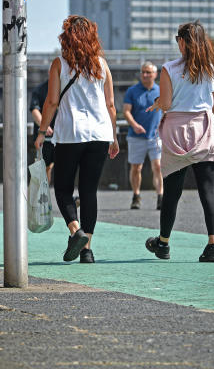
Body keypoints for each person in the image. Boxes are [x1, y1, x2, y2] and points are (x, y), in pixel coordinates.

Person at [145, 21, 214, 263]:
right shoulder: (212, 69)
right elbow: (213, 106)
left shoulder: (169, 68)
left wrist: (157, 104)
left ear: (182, 42)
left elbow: (165, 103)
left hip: (176, 132)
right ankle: (213, 245)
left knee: (172, 192)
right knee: (208, 191)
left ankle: (163, 243)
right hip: (204, 130)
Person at [35, 16, 119, 264]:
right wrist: (114, 138)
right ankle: (87, 250)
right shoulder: (102, 65)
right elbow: (111, 105)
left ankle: (76, 231)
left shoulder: (59, 64)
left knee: (62, 188)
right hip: (100, 134)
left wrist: (41, 133)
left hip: (71, 134)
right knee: (89, 191)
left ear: (66, 39)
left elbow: (51, 102)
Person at [123, 62, 164, 210]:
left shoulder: (161, 90)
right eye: (143, 72)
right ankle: (136, 195)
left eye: (148, 72)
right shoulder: (132, 91)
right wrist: (134, 125)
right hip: (136, 136)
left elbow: (167, 110)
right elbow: (126, 111)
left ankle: (160, 196)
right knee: (136, 168)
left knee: (158, 166)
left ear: (155, 74)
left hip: (156, 136)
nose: (145, 75)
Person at [30, 79, 56, 183]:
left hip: (63, 135)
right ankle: (41, 196)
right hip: (46, 138)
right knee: (44, 168)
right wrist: (44, 126)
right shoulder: (40, 90)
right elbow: (34, 109)